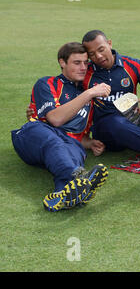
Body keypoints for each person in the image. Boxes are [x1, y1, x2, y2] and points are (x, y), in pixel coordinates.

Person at [11, 42, 111, 212]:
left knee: (74, 151)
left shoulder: (88, 95)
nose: (83, 67)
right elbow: (55, 119)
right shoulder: (47, 83)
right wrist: (89, 93)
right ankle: (81, 177)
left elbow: (78, 134)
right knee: (54, 141)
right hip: (36, 136)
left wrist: (89, 143)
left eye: (86, 63)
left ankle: (63, 197)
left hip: (68, 144)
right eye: (76, 63)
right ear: (62, 62)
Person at [81, 30, 140, 156]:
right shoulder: (85, 74)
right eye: (92, 54)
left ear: (109, 43)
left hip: (133, 121)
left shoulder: (133, 65)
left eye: (101, 49)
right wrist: (87, 141)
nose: (99, 56)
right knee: (117, 123)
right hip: (106, 130)